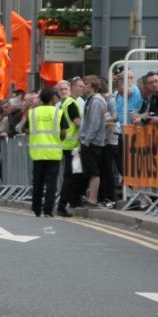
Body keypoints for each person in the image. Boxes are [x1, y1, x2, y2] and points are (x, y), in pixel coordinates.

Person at [26, 87, 67, 217]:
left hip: (37, 152)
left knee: (37, 182)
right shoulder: (58, 112)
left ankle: (36, 208)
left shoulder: (33, 113)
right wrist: (58, 138)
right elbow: (64, 132)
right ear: (52, 98)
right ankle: (48, 210)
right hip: (53, 152)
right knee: (51, 183)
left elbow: (27, 130)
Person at [79, 75, 108, 207]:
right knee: (91, 171)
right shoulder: (90, 100)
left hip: (93, 142)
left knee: (94, 171)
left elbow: (95, 123)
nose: (83, 86)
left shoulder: (96, 101)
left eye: (85, 83)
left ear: (92, 85)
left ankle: (93, 199)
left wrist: (87, 140)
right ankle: (91, 196)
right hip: (89, 140)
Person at [55, 80, 82, 217]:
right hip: (73, 146)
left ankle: (72, 201)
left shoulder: (61, 105)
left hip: (67, 145)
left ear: (70, 89)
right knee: (70, 176)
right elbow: (77, 122)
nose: (64, 91)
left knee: (74, 174)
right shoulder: (70, 103)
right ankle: (63, 205)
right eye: (61, 90)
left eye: (65, 89)